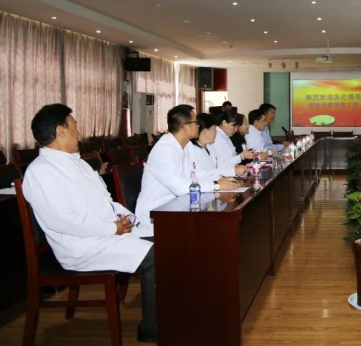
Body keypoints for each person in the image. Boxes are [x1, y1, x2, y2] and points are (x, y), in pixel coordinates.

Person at [23, 104, 157, 342]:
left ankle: (172, 312)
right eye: (74, 127)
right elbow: (62, 220)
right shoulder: (40, 172)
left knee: (167, 240)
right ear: (60, 131)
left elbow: (107, 201)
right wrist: (112, 227)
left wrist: (128, 219)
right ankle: (151, 329)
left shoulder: (78, 163)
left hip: (106, 235)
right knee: (154, 257)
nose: (79, 132)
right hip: (82, 246)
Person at [136, 105, 238, 236]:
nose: (198, 125)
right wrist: (216, 185)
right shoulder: (164, 149)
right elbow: (179, 187)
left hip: (181, 207)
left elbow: (199, 173)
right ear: (184, 127)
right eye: (195, 122)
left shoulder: (187, 146)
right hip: (157, 215)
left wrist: (224, 179)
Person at [184, 113, 246, 185]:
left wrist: (234, 169)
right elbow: (204, 173)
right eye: (214, 129)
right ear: (205, 131)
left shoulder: (209, 147)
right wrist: (233, 171)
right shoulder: (193, 150)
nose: (216, 133)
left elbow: (217, 168)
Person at [212, 109, 255, 176]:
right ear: (224, 123)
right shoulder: (216, 138)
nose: (236, 130)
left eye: (237, 127)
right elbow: (221, 165)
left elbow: (230, 159)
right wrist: (241, 156)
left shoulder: (226, 137)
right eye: (234, 126)